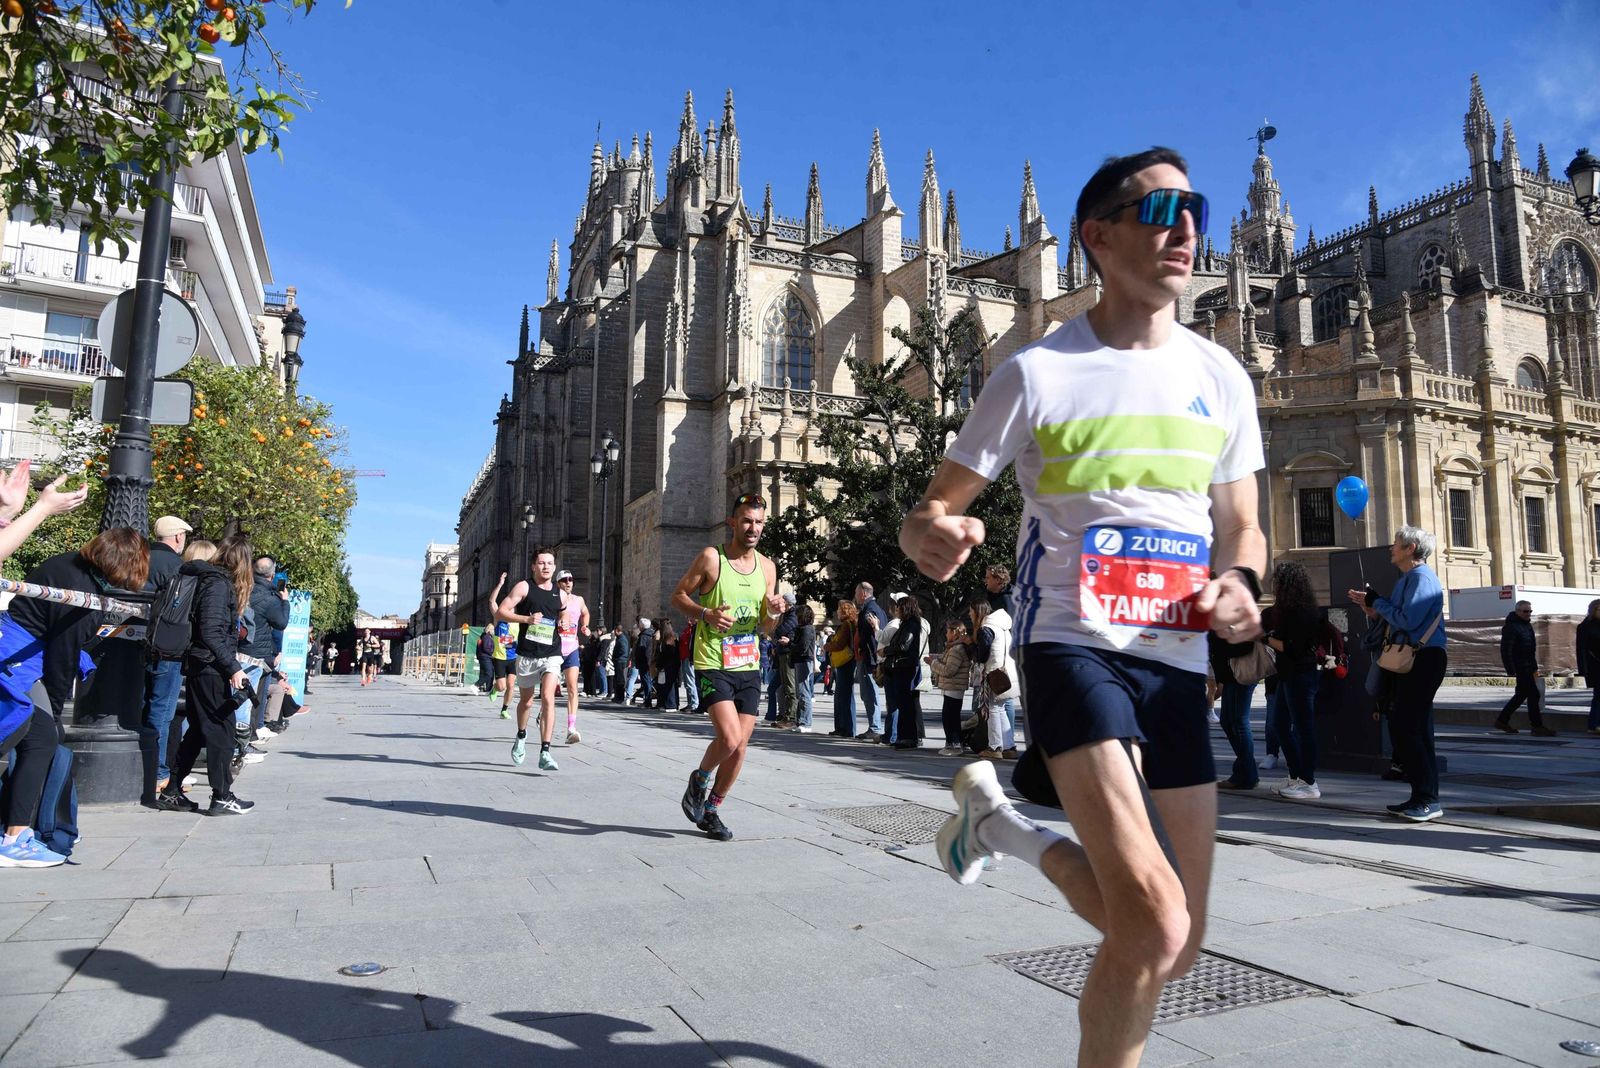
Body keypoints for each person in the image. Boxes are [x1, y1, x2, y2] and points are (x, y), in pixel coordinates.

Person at [902, 147, 1267, 1068]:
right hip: (1073, 644)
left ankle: (1002, 831)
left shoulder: (1222, 376)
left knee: (1171, 944)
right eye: (1161, 210)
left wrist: (1242, 584)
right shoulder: (1035, 373)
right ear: (1097, 238)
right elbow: (933, 509)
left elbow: (1245, 525)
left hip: (1178, 660)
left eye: (1196, 208)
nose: (1185, 228)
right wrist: (934, 536)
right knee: (1150, 914)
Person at [673, 492, 787, 842]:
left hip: (749, 663)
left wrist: (773, 613)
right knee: (729, 737)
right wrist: (706, 613)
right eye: (747, 521)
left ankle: (712, 810)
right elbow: (678, 596)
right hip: (712, 660)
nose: (753, 528)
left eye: (759, 523)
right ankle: (701, 778)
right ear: (732, 523)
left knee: (740, 747)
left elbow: (765, 629)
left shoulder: (767, 567)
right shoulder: (712, 558)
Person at [1347, 525, 1448, 823]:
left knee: (1408, 728)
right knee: (1412, 728)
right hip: (1416, 658)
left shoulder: (1421, 578)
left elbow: (1408, 620)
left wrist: (1377, 603)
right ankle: (1422, 797)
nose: (1391, 548)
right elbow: (1399, 614)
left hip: (1424, 658)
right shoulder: (1410, 578)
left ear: (1410, 549)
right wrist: (1373, 606)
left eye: (1396, 544)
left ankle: (1427, 798)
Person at [158, 539, 255, 816]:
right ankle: (222, 795)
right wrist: (233, 667)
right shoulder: (218, 584)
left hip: (204, 664)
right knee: (222, 731)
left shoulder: (210, 581)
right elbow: (211, 632)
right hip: (210, 666)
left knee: (200, 730)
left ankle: (172, 790)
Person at [139, 515, 191, 808]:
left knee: (141, 705)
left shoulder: (139, 557)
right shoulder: (175, 567)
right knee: (162, 710)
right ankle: (157, 772)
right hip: (167, 648)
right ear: (178, 538)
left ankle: (144, 766)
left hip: (133, 645)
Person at [496, 547, 563, 771]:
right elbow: (501, 612)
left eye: (550, 563)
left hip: (552, 653)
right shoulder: (524, 587)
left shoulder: (561, 593)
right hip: (527, 654)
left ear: (555, 566)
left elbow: (561, 612)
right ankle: (521, 735)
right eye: (542, 563)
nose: (546, 567)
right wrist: (526, 619)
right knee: (526, 702)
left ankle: (545, 750)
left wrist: (563, 622)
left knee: (547, 698)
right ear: (534, 566)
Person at [1263, 561, 1322, 799]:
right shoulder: (1289, 609)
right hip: (1289, 675)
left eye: (1278, 581)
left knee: (1303, 728)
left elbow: (1293, 647)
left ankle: (1308, 782)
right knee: (1280, 725)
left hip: (1301, 674)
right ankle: (1296, 775)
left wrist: (1265, 639)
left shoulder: (1303, 612)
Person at [968, 594, 1022, 759]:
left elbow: (982, 655)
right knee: (1000, 709)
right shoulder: (1002, 626)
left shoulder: (986, 628)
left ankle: (994, 747)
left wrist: (970, 645)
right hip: (1007, 672)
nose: (969, 615)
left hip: (994, 673)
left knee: (992, 709)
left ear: (978, 612)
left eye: (971, 612)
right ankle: (1008, 746)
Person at [1208, 628, 1260, 790]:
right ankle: (1247, 772)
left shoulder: (1233, 614)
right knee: (1228, 722)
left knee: (1238, 722)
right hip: (1231, 674)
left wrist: (1221, 642)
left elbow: (1246, 644)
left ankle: (1246, 774)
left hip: (1241, 673)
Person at [1496, 600, 1554, 736]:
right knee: (1533, 694)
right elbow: (1506, 649)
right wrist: (1510, 669)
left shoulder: (1527, 626)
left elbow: (1531, 649)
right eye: (1525, 611)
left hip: (1529, 666)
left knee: (1521, 695)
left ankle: (1502, 720)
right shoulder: (1511, 627)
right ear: (1517, 611)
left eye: (1530, 611)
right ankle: (1536, 726)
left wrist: (1534, 667)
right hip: (1520, 667)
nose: (1528, 614)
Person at [883, 595, 929, 749]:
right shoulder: (907, 623)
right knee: (904, 703)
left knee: (906, 703)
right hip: (904, 667)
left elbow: (903, 646)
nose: (897, 610)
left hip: (906, 667)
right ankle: (905, 736)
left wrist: (886, 651)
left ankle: (908, 737)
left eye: (899, 607)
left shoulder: (911, 624)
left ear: (905, 608)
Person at [928, 618, 973, 756]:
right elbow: (946, 659)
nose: (946, 634)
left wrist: (933, 663)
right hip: (953, 687)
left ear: (954, 633)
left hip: (954, 687)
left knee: (949, 717)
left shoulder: (956, 649)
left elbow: (948, 670)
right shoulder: (954, 648)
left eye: (947, 631)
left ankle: (953, 744)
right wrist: (934, 658)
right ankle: (955, 742)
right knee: (951, 715)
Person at [554, 570, 590, 742]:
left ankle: (571, 728)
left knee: (573, 687)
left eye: (571, 579)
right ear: (558, 583)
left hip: (572, 647)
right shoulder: (553, 598)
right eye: (564, 580)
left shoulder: (578, 600)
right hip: (555, 647)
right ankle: (542, 713)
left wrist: (585, 625)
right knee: (549, 689)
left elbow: (586, 612)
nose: (569, 582)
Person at [852, 582, 888, 739]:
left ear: (864, 593)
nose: (854, 595)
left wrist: (874, 659)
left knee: (869, 693)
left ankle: (874, 727)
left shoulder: (870, 610)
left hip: (869, 659)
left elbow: (874, 637)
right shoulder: (875, 608)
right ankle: (873, 726)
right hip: (869, 657)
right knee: (867, 693)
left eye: (856, 592)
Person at [826, 600, 857, 737]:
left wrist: (827, 646)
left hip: (845, 663)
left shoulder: (846, 625)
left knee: (842, 696)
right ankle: (843, 727)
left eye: (839, 610)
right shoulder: (848, 624)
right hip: (847, 663)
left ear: (844, 611)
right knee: (843, 695)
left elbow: (840, 644)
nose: (837, 612)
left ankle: (845, 728)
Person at [772, 593, 799, 725]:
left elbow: (779, 630)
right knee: (783, 687)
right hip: (783, 652)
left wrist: (776, 628)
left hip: (788, 653)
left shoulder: (792, 615)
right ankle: (785, 715)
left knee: (790, 686)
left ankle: (791, 717)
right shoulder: (786, 615)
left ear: (788, 603)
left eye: (783, 602)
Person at [791, 604, 817, 732]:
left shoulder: (807, 629)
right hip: (801, 660)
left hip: (804, 660)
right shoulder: (803, 628)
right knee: (800, 691)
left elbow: (802, 647)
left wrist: (789, 643)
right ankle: (800, 721)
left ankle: (806, 722)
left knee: (803, 691)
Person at [1578, 599, 1600, 736]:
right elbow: (1581, 650)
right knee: (1598, 696)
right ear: (1593, 610)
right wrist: (1584, 671)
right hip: (1595, 666)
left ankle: (1594, 724)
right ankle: (1594, 724)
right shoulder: (1585, 626)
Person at [656, 619, 681, 710]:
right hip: (673, 664)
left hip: (669, 665)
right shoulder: (673, 637)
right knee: (672, 684)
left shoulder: (668, 639)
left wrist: (660, 664)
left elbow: (666, 654)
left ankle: (671, 704)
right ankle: (674, 704)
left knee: (669, 685)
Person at [609, 623, 631, 701]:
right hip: (619, 661)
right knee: (617, 679)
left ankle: (620, 697)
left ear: (617, 631)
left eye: (615, 631)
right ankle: (617, 696)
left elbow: (623, 651)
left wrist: (616, 658)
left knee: (620, 680)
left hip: (621, 662)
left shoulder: (622, 639)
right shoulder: (619, 638)